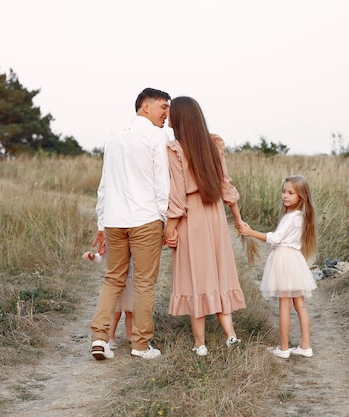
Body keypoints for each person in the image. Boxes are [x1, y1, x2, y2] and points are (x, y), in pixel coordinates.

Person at [89, 87, 171, 360]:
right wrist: (164, 219)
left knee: (113, 279)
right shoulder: (155, 136)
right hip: (144, 218)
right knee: (145, 283)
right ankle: (140, 345)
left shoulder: (114, 140)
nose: (166, 114)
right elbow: (162, 182)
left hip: (114, 220)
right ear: (145, 106)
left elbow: (104, 185)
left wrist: (102, 223)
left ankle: (100, 339)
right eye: (163, 107)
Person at [163, 96, 247, 357]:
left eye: (171, 113)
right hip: (215, 213)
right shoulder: (213, 143)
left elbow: (177, 195)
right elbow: (225, 184)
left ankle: (200, 343)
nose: (167, 117)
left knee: (195, 275)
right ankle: (230, 335)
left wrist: (169, 230)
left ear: (179, 118)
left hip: (192, 215)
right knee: (219, 271)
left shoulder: (175, 149)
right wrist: (236, 217)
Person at [238, 175, 318, 359]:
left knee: (284, 305)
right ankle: (305, 346)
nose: (285, 196)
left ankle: (283, 348)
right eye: (284, 191)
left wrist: (251, 232)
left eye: (291, 193)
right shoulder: (301, 215)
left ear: (302, 196)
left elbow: (275, 239)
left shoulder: (291, 217)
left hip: (284, 260)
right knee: (300, 305)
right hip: (295, 260)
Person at [82, 251, 133, 349]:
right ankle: (110, 338)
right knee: (116, 313)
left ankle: (130, 337)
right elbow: (100, 257)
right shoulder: (112, 243)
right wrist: (92, 256)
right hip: (116, 280)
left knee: (130, 311)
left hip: (131, 280)